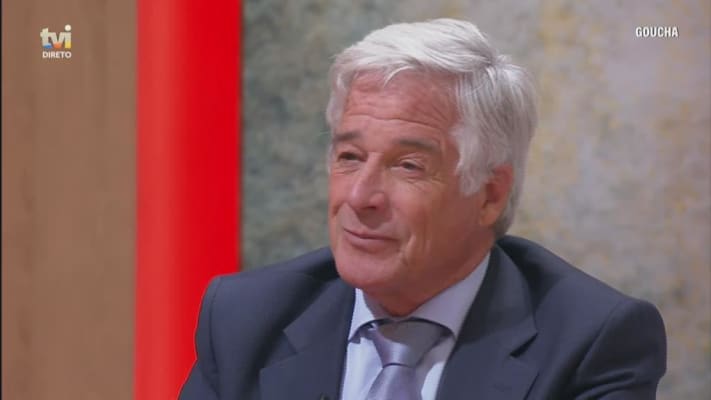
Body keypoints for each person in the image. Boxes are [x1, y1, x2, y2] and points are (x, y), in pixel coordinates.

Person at [180, 19, 666, 400]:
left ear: (490, 195)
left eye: (408, 166)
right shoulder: (246, 319)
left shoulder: (590, 343)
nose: (360, 197)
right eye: (349, 157)